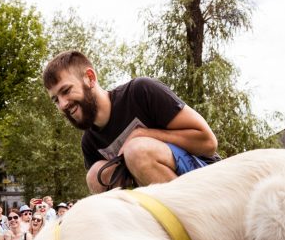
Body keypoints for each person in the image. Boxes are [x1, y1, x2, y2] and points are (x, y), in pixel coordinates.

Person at [42, 50, 219, 194]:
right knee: (96, 175)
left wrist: (145, 134)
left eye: (66, 91)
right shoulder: (90, 143)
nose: (63, 104)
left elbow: (208, 143)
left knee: (137, 150)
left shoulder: (140, 92)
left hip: (205, 180)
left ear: (90, 77)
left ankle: (195, 222)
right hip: (156, 201)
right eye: (56, 100)